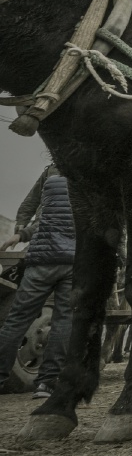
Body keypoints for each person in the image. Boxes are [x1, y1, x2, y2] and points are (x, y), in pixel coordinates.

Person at [0, 164, 75, 399]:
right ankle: (47, 383)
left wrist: (20, 233)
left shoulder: (52, 176)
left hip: (41, 261)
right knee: (64, 321)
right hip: (74, 262)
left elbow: (36, 217)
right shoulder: (91, 178)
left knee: (16, 321)